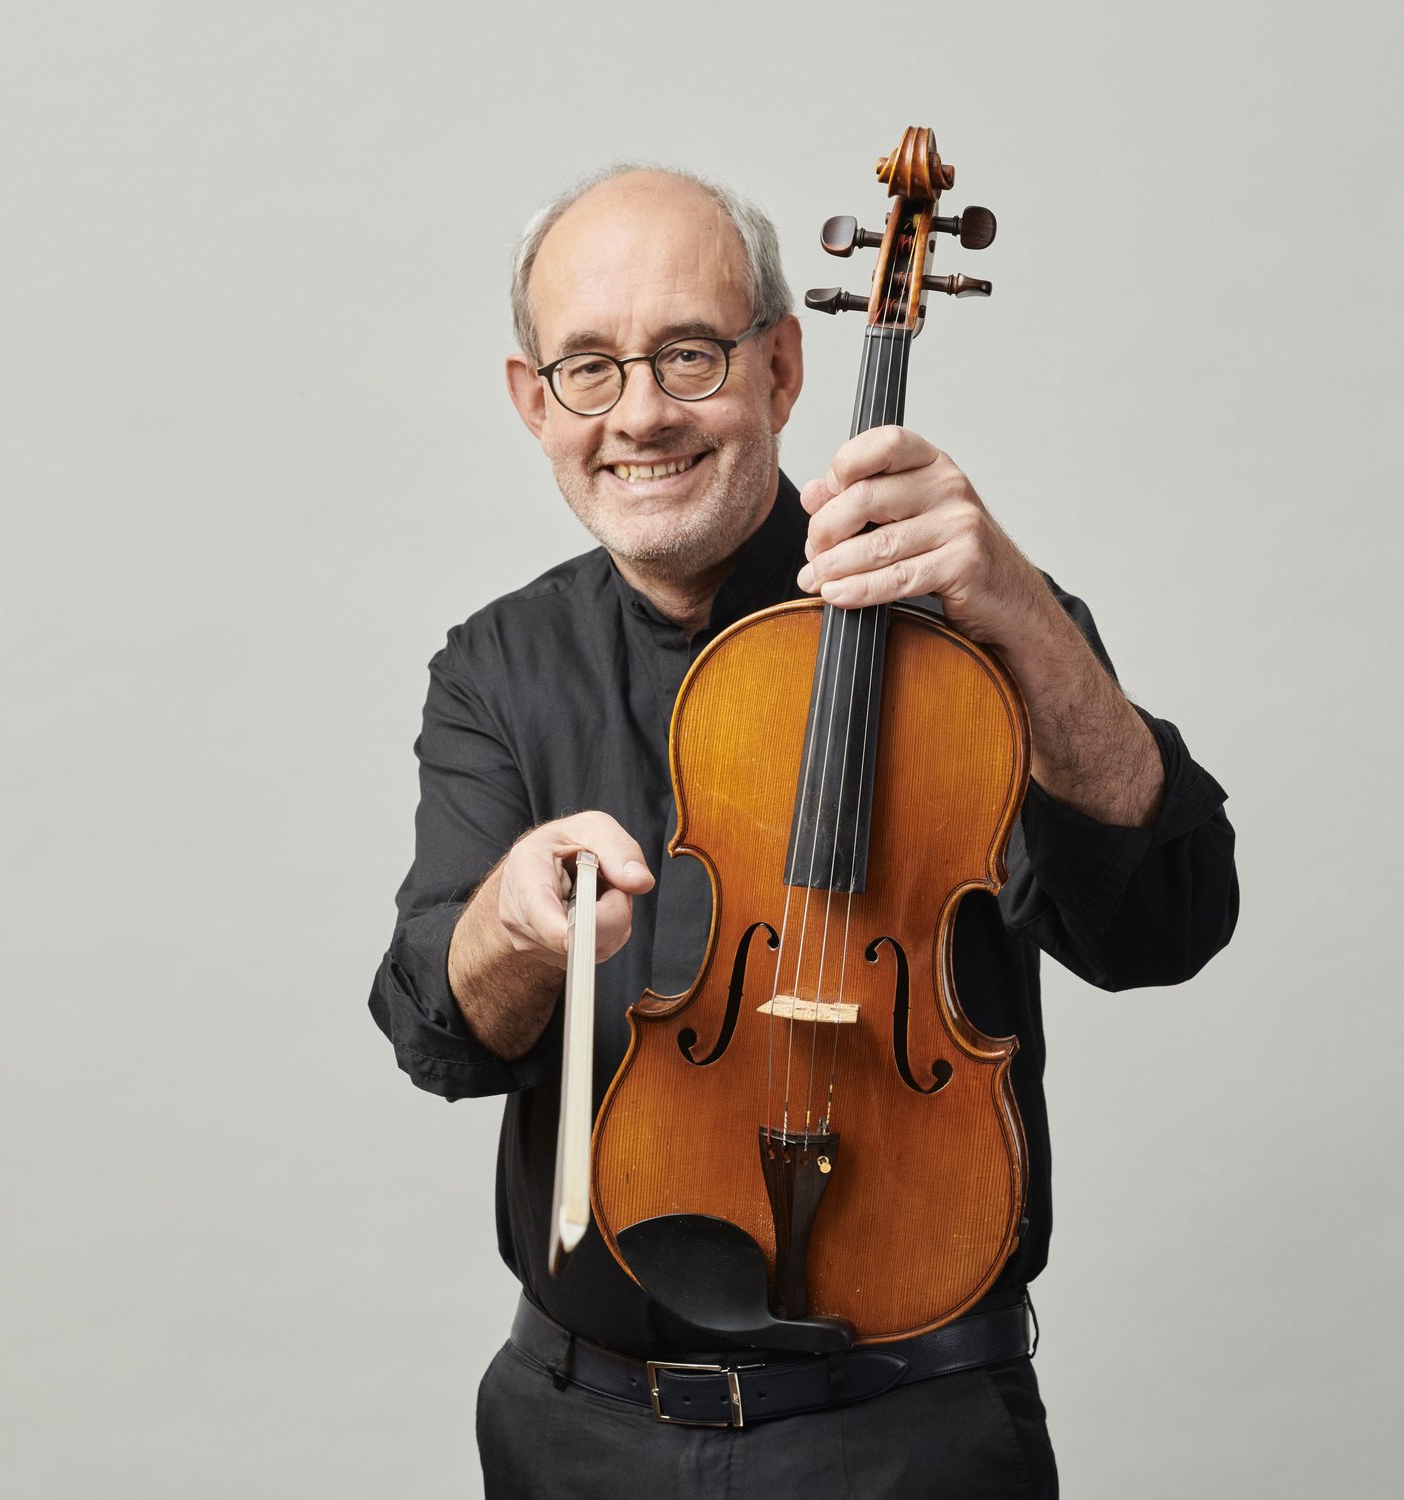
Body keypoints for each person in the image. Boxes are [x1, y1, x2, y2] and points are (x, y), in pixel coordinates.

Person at [368, 163, 1238, 1498]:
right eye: (590, 369)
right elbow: (439, 1033)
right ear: (534, 403)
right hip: (577, 1432)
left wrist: (1023, 615)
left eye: (691, 355)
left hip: (910, 1429)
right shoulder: (498, 667)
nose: (641, 414)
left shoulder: (973, 629)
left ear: (781, 368)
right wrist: (516, 926)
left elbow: (1164, 928)